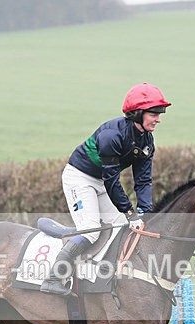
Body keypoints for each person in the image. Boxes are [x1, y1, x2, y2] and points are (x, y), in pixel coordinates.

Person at [40, 82, 171, 296]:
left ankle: (109, 274)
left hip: (100, 181)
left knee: (122, 227)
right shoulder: (112, 135)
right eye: (154, 113)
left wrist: (144, 212)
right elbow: (112, 180)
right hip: (79, 178)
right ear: (138, 113)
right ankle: (54, 278)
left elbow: (143, 180)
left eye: (160, 113)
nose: (159, 118)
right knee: (91, 229)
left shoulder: (147, 140)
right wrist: (130, 212)